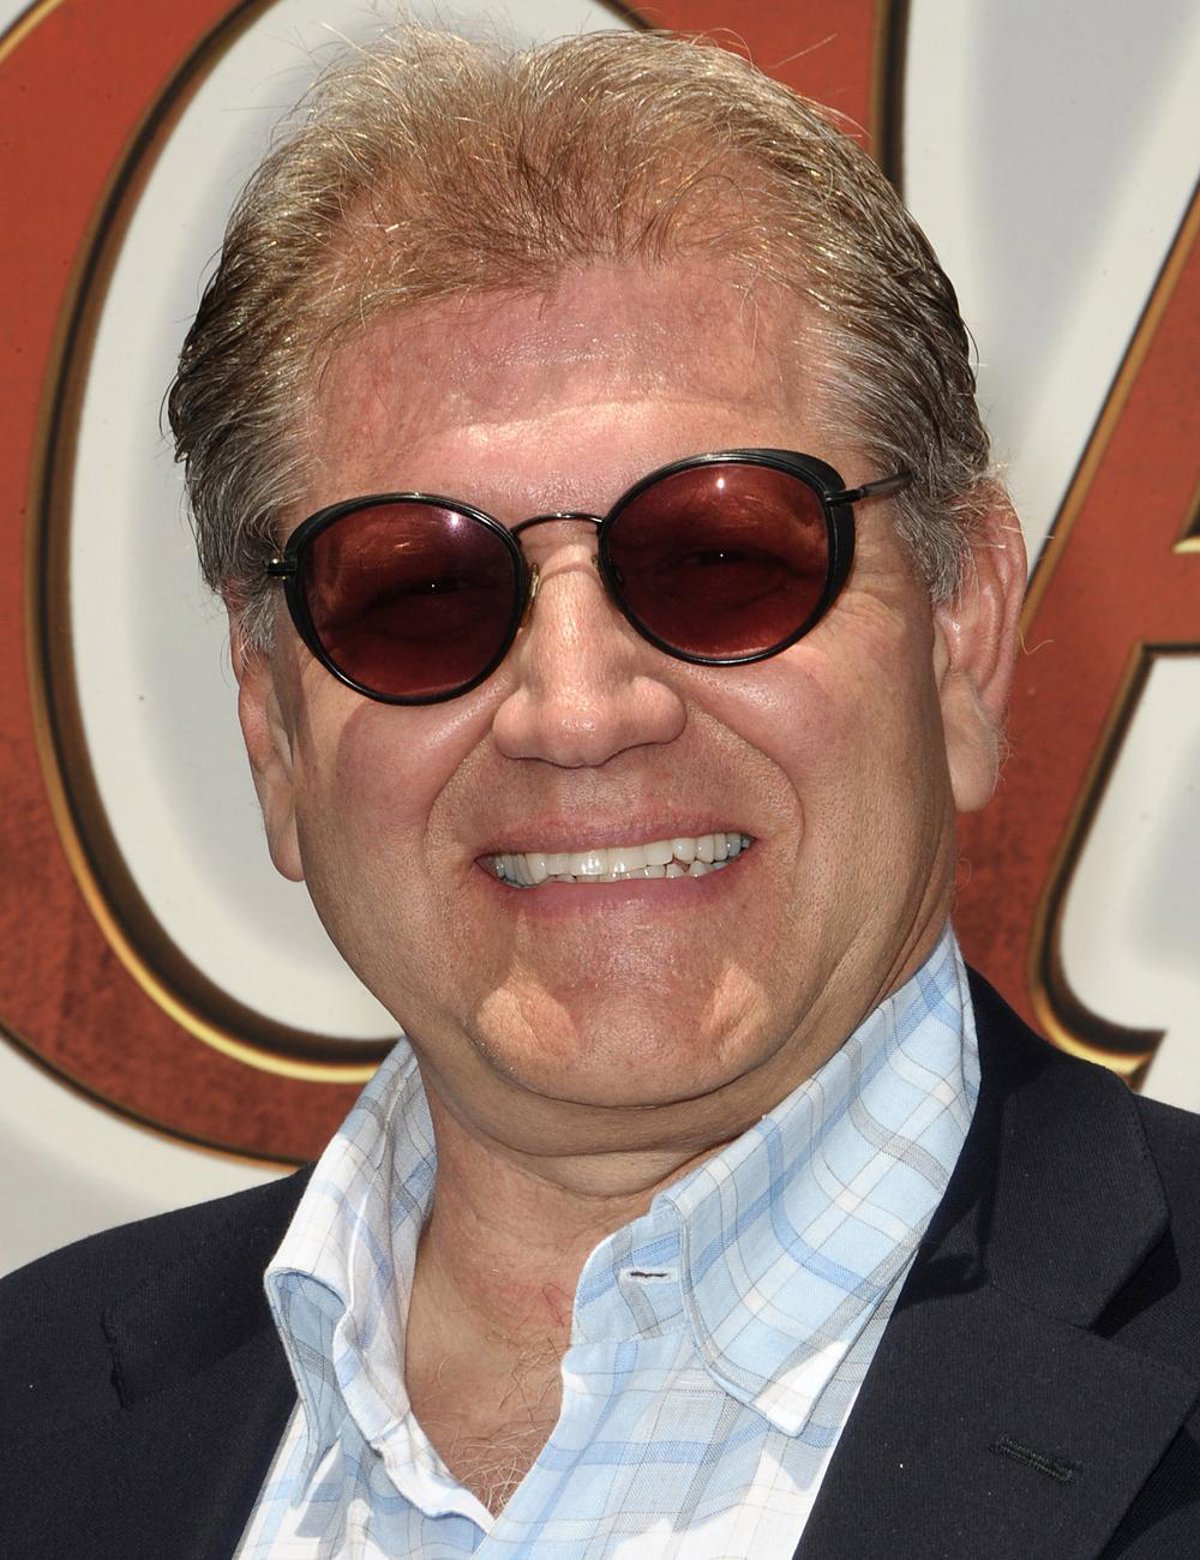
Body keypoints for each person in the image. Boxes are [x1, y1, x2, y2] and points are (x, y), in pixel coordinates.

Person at [2, 25, 1198, 1560]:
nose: (577, 711)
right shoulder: (29, 1418)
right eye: (422, 592)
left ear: (963, 627)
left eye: (722, 558)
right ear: (273, 727)